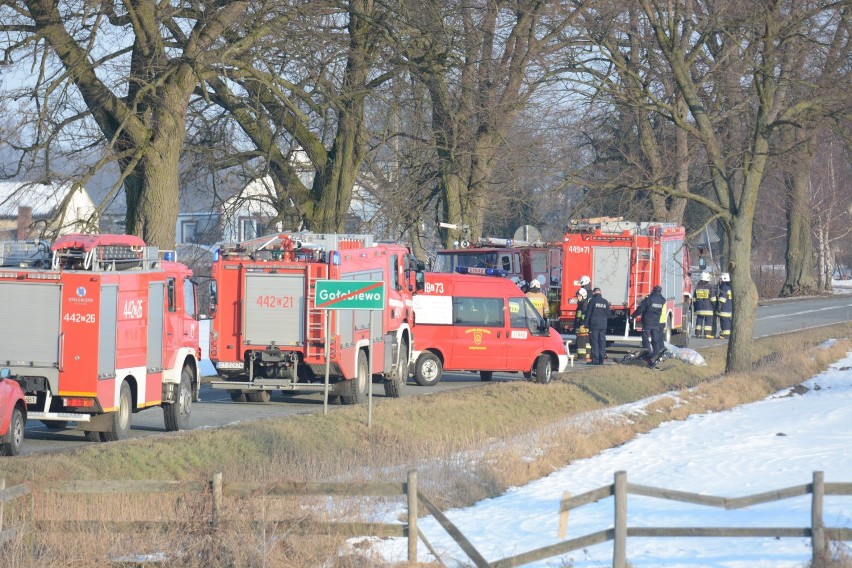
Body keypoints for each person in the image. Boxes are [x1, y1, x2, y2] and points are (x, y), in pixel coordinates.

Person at [632, 285, 666, 367]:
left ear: (653, 290)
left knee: (645, 338)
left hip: (647, 322)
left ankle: (648, 354)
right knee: (655, 340)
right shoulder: (662, 300)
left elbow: (641, 309)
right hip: (656, 323)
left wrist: (632, 316)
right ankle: (656, 356)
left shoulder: (649, 299)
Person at [583, 287, 611, 365]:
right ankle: (601, 360)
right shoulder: (605, 302)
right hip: (603, 325)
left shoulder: (592, 301)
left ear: (594, 293)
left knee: (594, 342)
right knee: (602, 342)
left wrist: (585, 324)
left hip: (594, 325)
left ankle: (595, 360)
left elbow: (588, 313)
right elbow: (608, 314)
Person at [693, 272, 714, 339]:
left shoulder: (697, 287)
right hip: (708, 309)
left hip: (699, 309)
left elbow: (694, 299)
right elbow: (713, 298)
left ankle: (698, 334)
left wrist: (695, 307)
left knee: (699, 321)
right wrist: (714, 306)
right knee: (708, 322)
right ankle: (707, 334)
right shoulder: (710, 287)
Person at [573, 287, 591, 363]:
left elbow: (583, 316)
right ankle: (587, 355)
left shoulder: (584, 305)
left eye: (579, 296)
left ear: (583, 296)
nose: (577, 297)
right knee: (586, 342)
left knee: (581, 343)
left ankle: (581, 356)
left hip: (582, 327)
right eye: (577, 296)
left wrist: (581, 325)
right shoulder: (582, 304)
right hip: (583, 326)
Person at [716, 272, 733, 338]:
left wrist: (719, 306)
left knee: (724, 322)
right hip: (729, 307)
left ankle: (725, 334)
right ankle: (726, 334)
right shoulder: (729, 287)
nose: (720, 281)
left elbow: (723, 298)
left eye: (721, 280)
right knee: (727, 322)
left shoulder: (724, 288)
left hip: (724, 308)